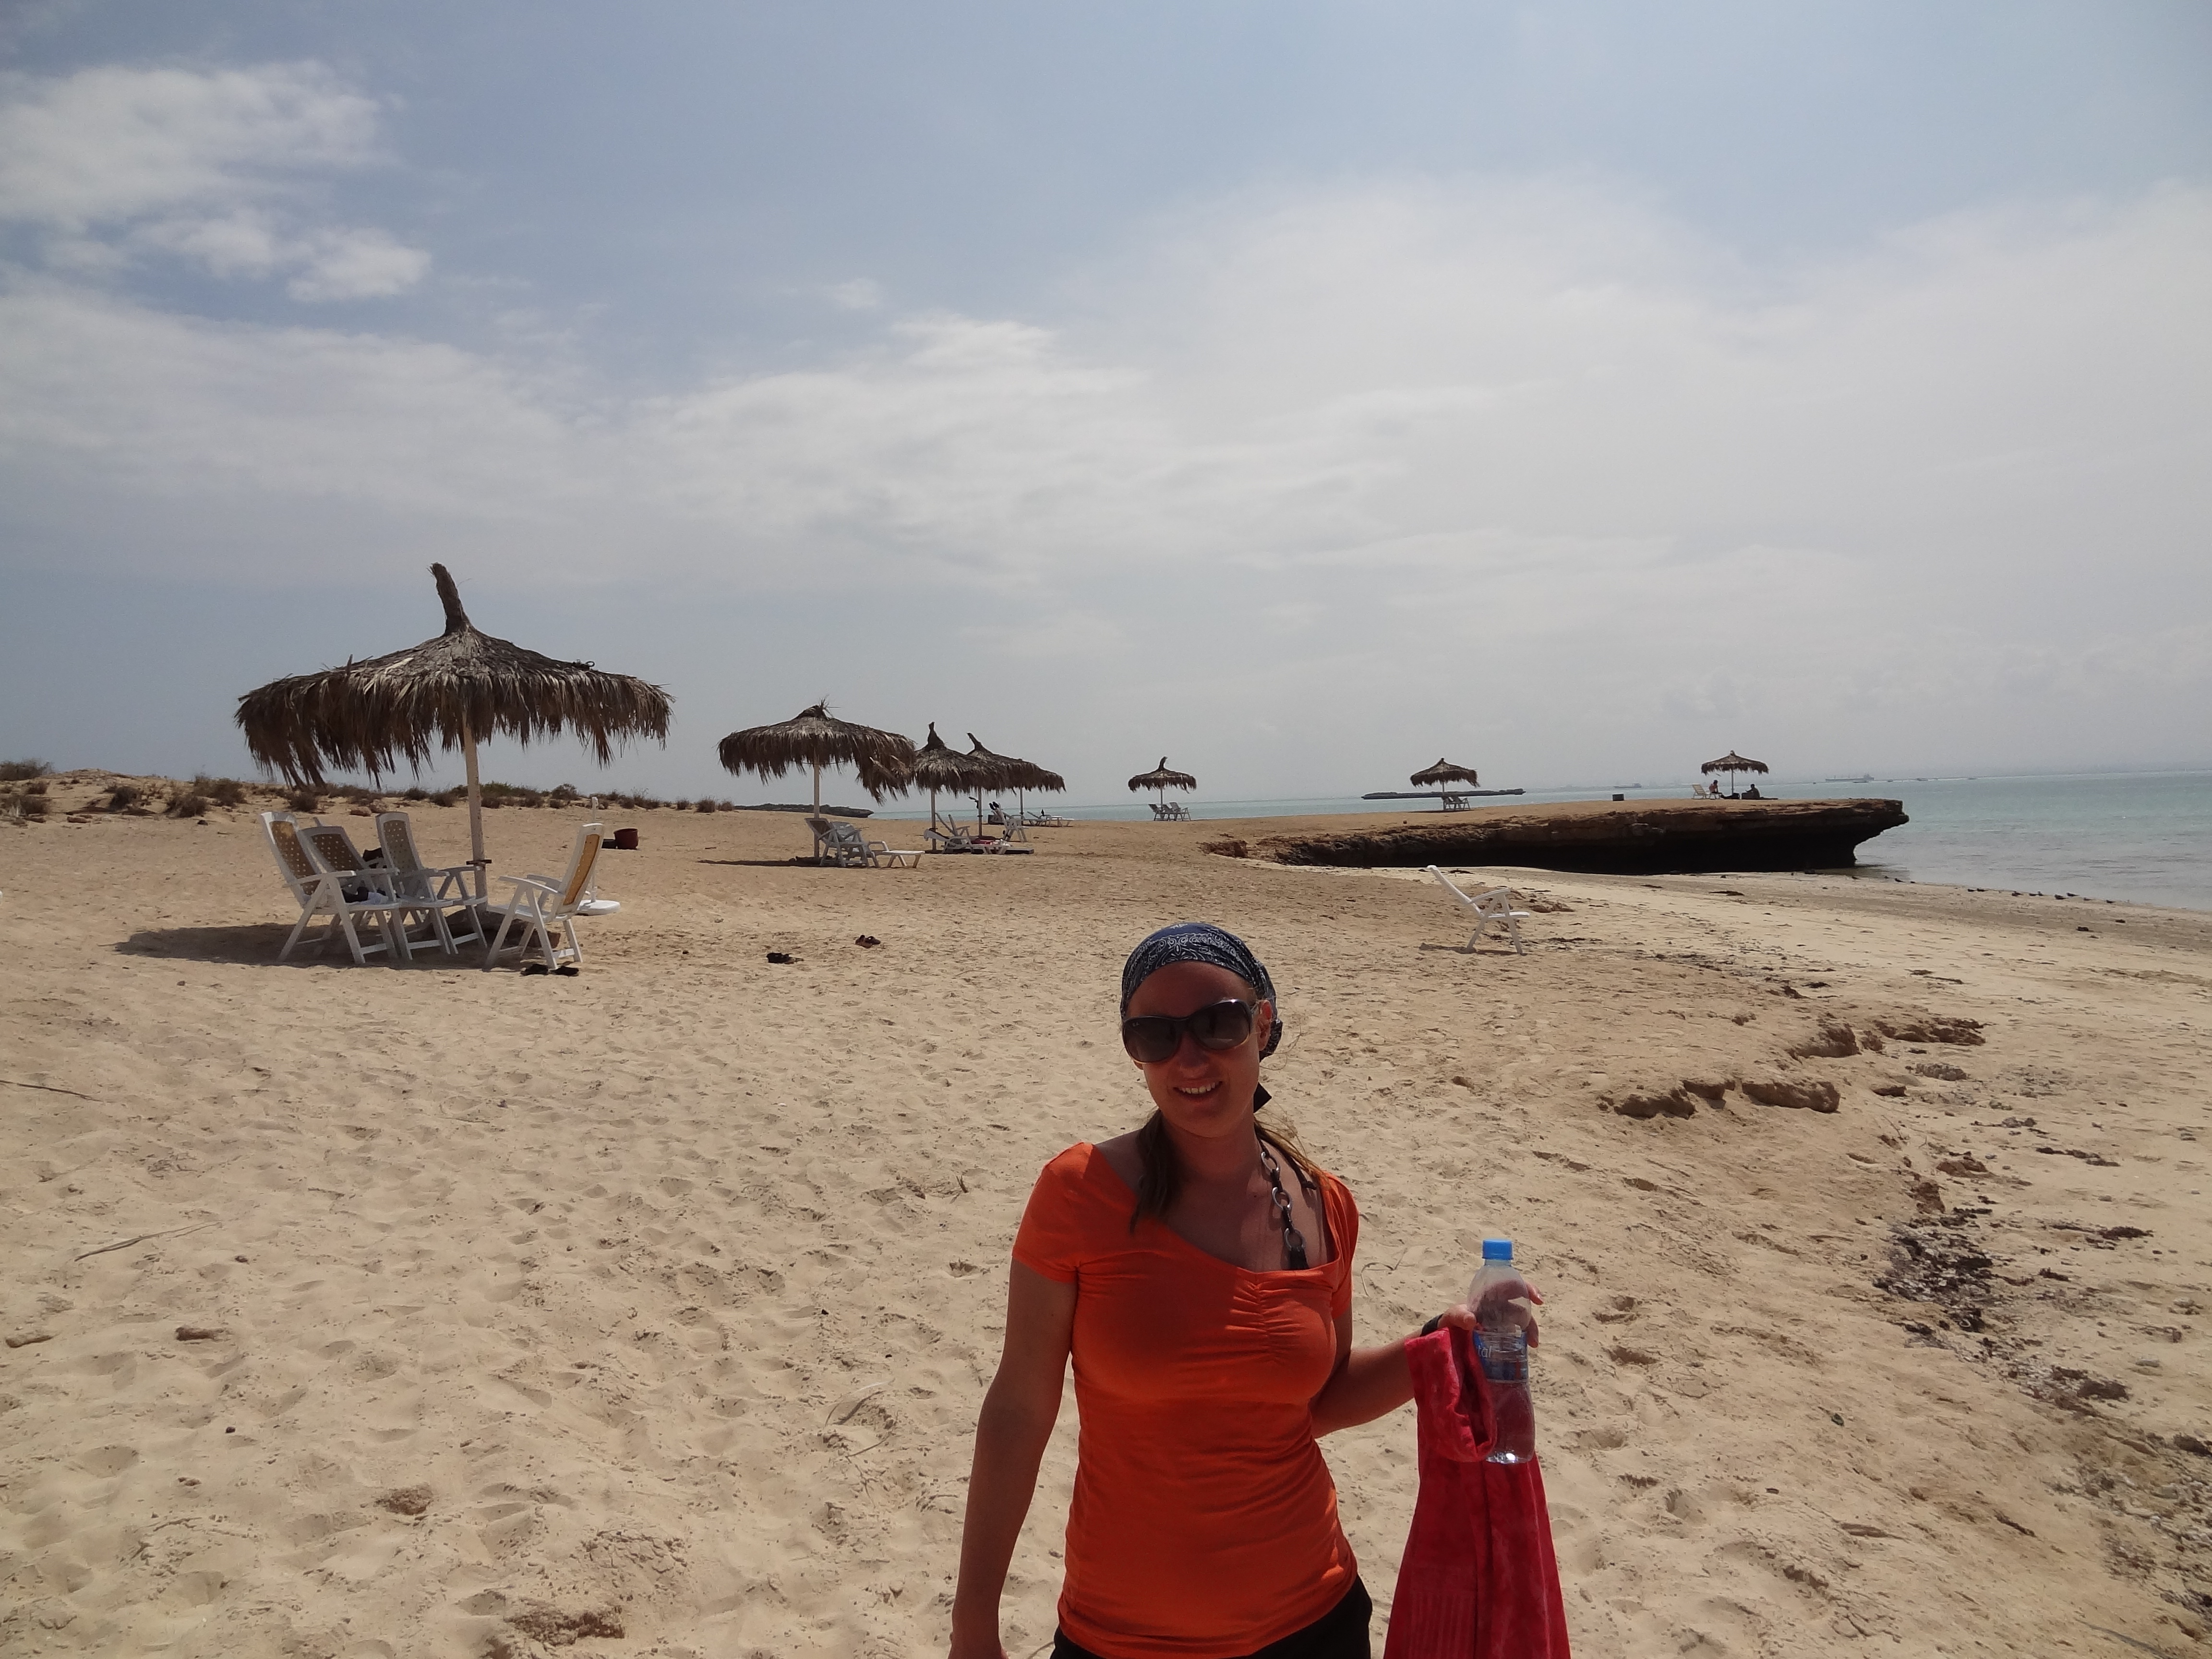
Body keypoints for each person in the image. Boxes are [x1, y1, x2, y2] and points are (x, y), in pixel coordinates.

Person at [949, 923, 1538, 1659]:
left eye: (1217, 1024)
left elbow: (1319, 1401)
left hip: (1316, 1619)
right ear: (1134, 1052)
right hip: (1122, 1636)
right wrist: (973, 1626)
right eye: (1155, 1035)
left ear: (1263, 1024)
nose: (1189, 1057)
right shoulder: (1079, 1193)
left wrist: (1444, 1345)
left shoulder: (1323, 1204)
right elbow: (1018, 1409)